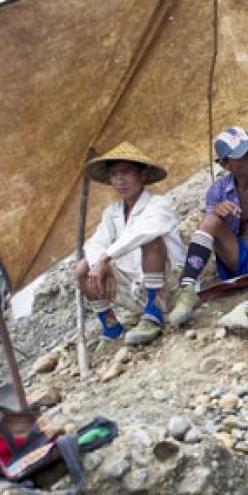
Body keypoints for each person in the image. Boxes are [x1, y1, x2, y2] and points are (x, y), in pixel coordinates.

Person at [167, 127, 248, 336]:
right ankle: (187, 288)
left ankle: (245, 309)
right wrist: (216, 213)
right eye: (243, 156)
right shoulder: (218, 190)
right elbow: (208, 230)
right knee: (210, 219)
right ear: (226, 164)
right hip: (239, 258)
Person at [76, 142, 184, 346]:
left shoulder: (158, 204)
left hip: (168, 285)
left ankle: (154, 312)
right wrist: (99, 264)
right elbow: (95, 242)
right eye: (114, 175)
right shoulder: (112, 212)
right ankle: (111, 327)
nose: (120, 180)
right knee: (83, 268)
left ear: (142, 176)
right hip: (134, 289)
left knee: (152, 242)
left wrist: (106, 258)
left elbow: (144, 232)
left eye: (126, 173)